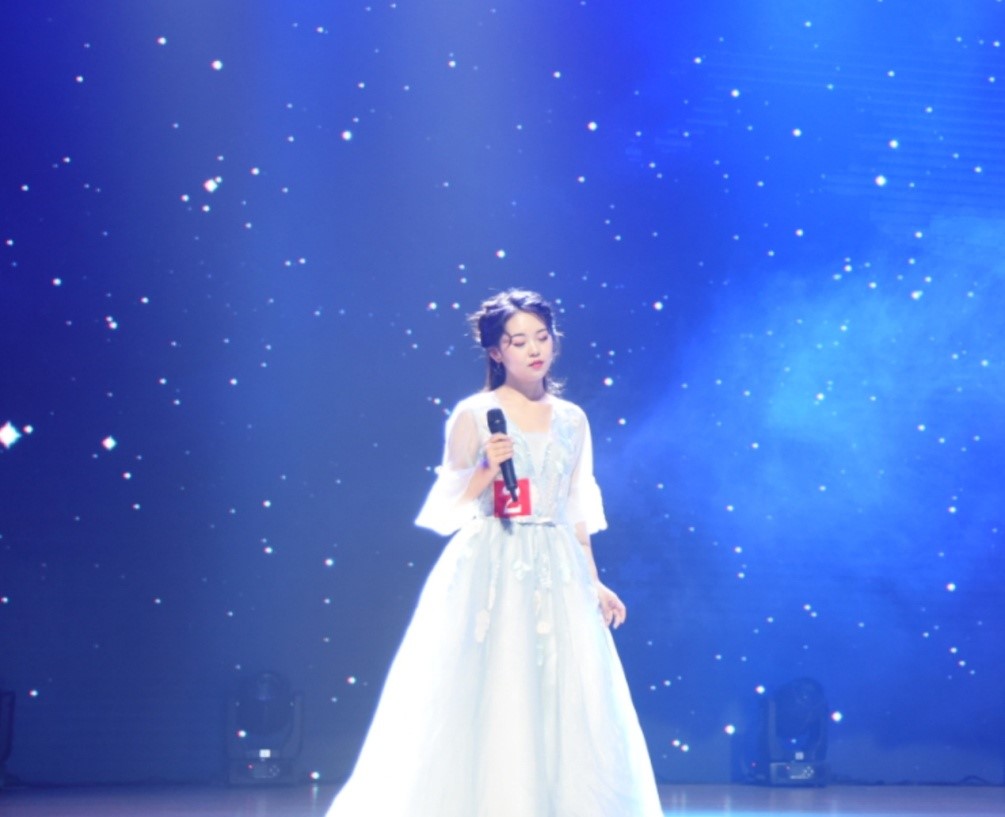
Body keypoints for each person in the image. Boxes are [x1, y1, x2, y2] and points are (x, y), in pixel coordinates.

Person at [326, 289, 662, 817]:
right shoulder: (476, 413)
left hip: (557, 566)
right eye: (519, 341)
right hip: (494, 560)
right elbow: (444, 508)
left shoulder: (573, 419)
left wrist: (593, 580)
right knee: (493, 687)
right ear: (496, 351)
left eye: (542, 337)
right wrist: (484, 469)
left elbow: (576, 507)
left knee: (564, 695)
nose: (534, 350)